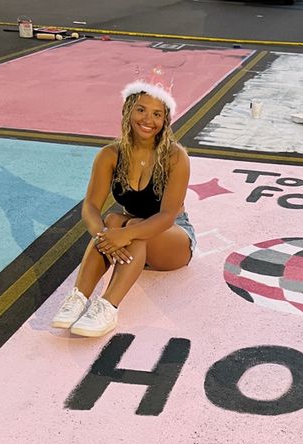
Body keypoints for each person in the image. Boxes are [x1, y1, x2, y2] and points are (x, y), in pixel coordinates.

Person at [51, 80, 195, 337]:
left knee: (132, 227)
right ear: (128, 111)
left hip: (173, 238)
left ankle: (108, 306)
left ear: (165, 120)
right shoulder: (109, 155)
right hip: (130, 237)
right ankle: (78, 298)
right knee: (113, 219)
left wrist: (124, 235)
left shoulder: (175, 156)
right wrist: (103, 236)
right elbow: (91, 206)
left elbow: (166, 217)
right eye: (141, 110)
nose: (148, 119)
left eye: (157, 114)